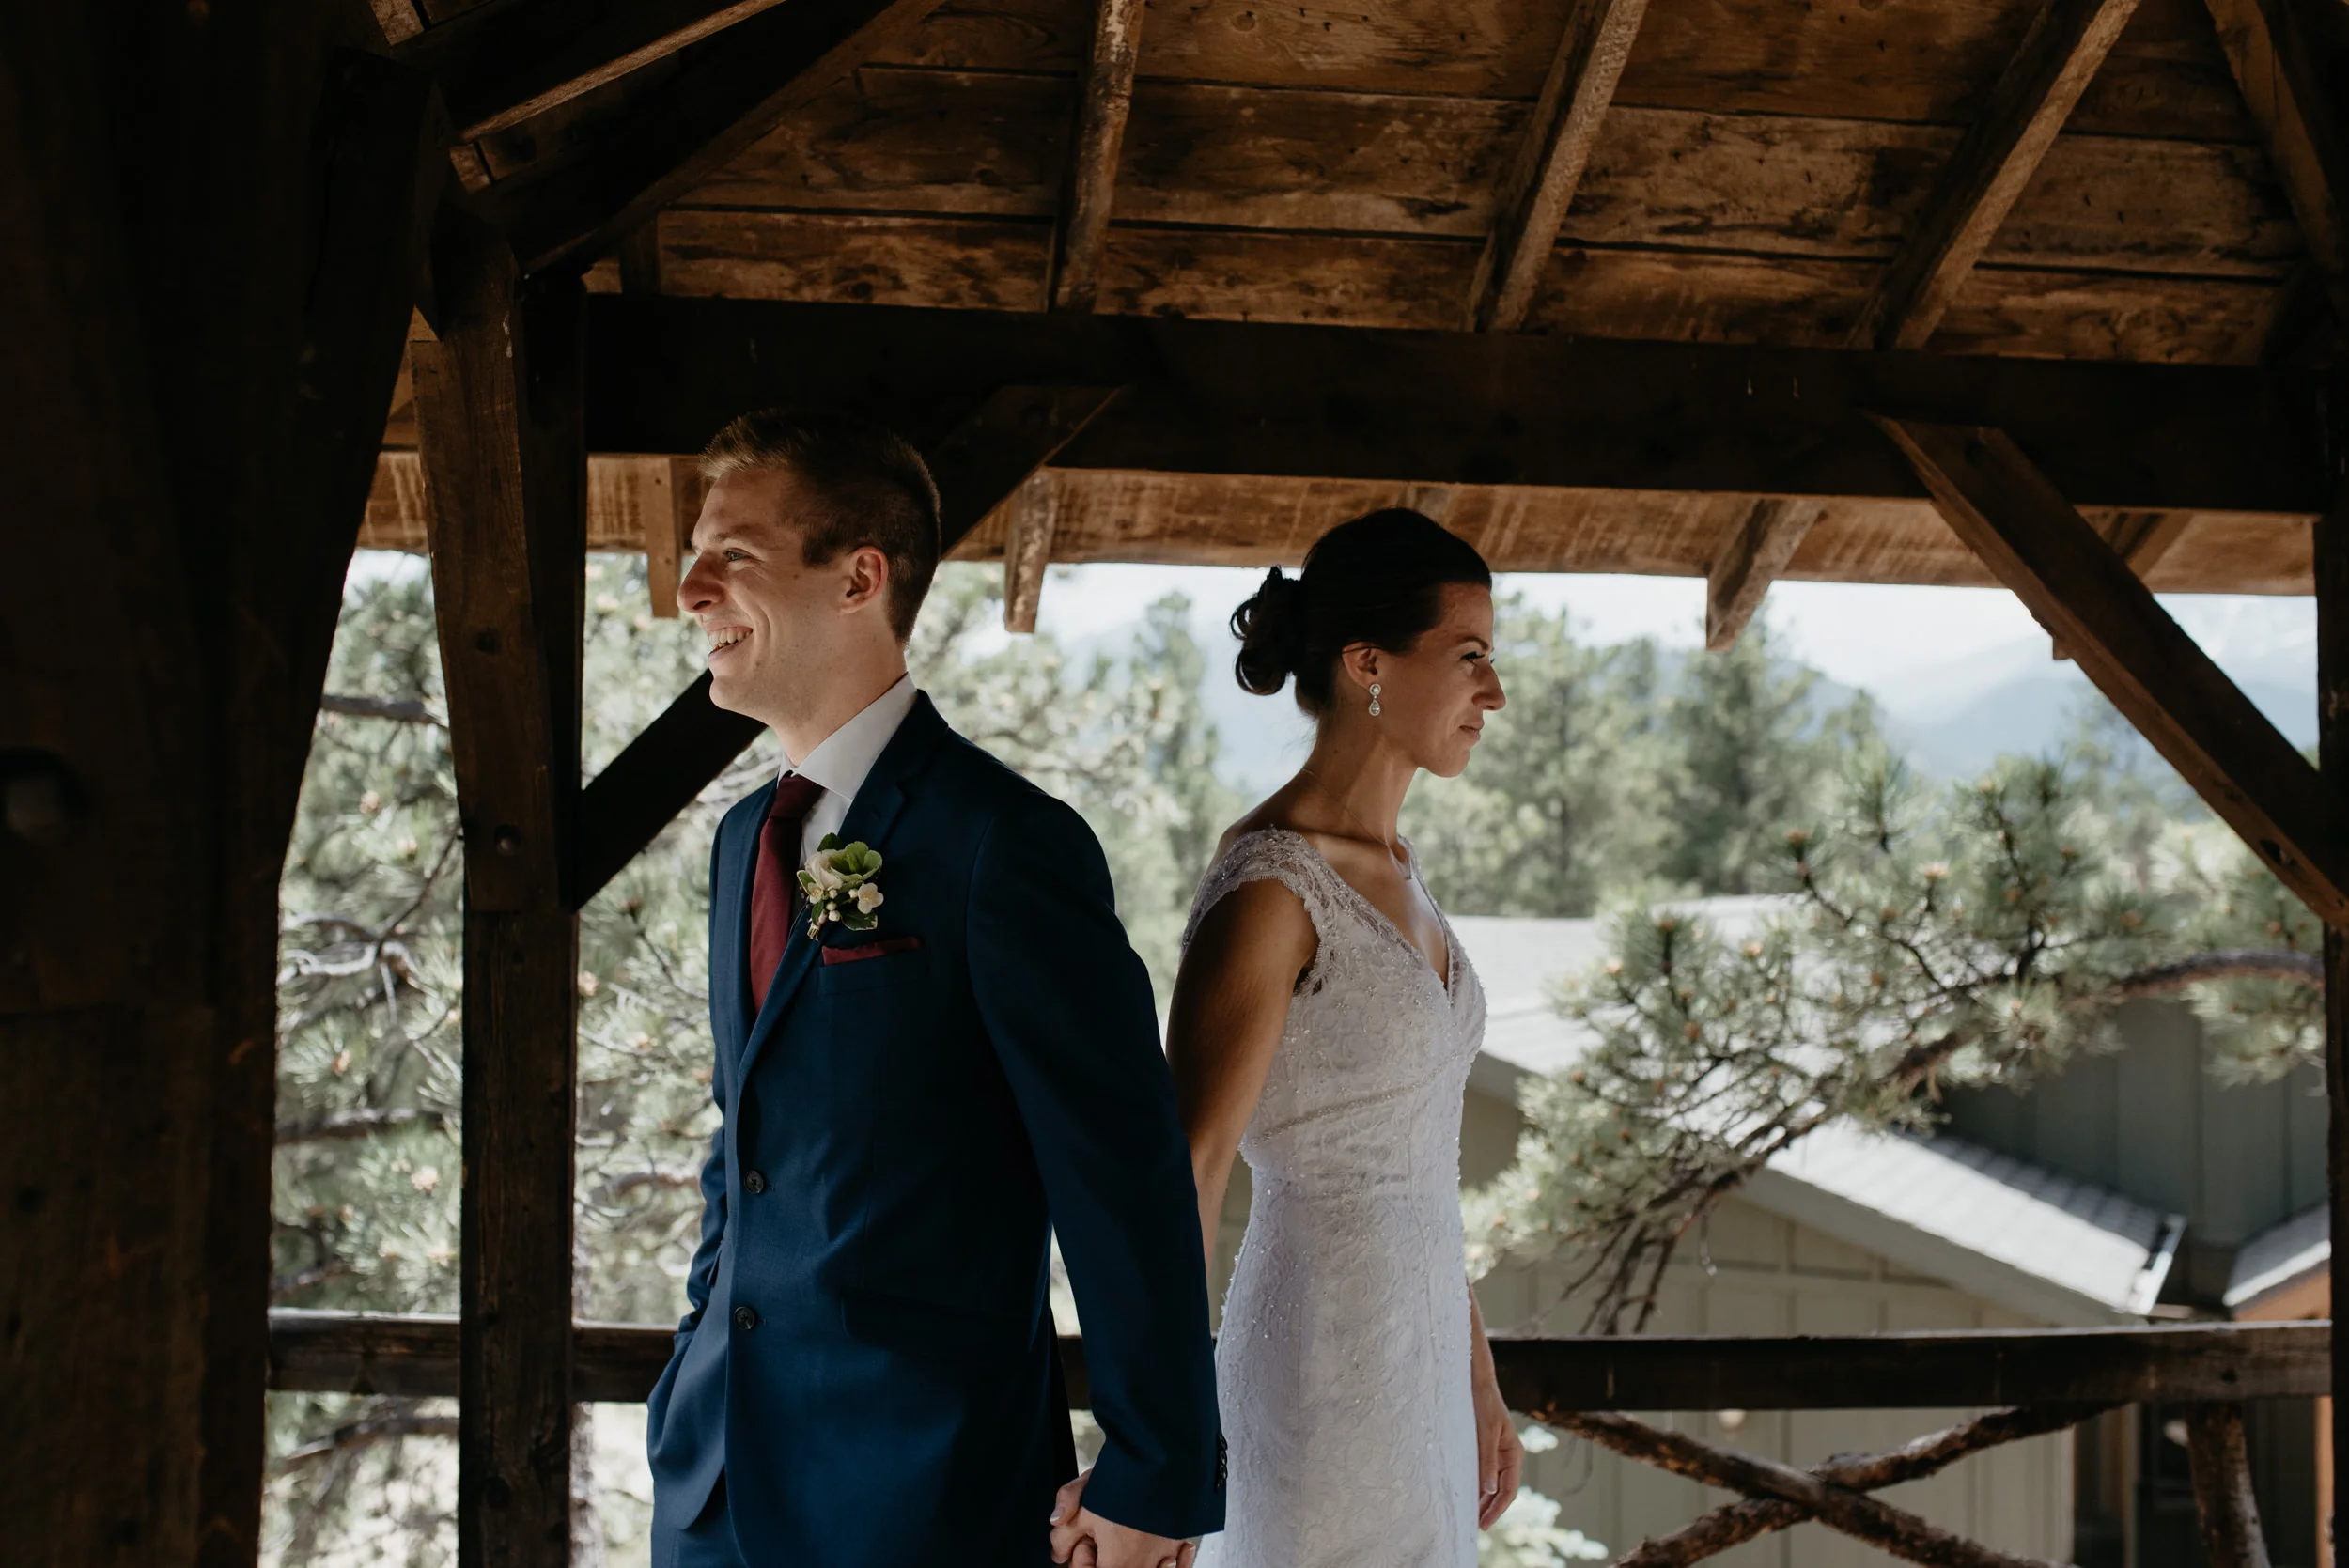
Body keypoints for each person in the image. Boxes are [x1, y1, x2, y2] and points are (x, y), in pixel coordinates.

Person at [646, 407, 1223, 1568]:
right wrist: (696, 1345)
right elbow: (743, 1140)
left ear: (859, 578)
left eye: (733, 556)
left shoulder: (1003, 844)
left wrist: (1154, 1473)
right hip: (714, 1484)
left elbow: (1119, 1173)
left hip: (924, 1489)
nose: (690, 591)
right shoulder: (743, 840)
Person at [1183, 510, 1519, 1564]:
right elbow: (1188, 1167)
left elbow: (1419, 1162)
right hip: (1317, 1369)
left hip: (1428, 1379)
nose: (1494, 694)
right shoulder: (1272, 884)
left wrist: (1477, 1377)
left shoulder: (1401, 867)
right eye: (1470, 658)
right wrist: (1161, 1437)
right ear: (1368, 662)